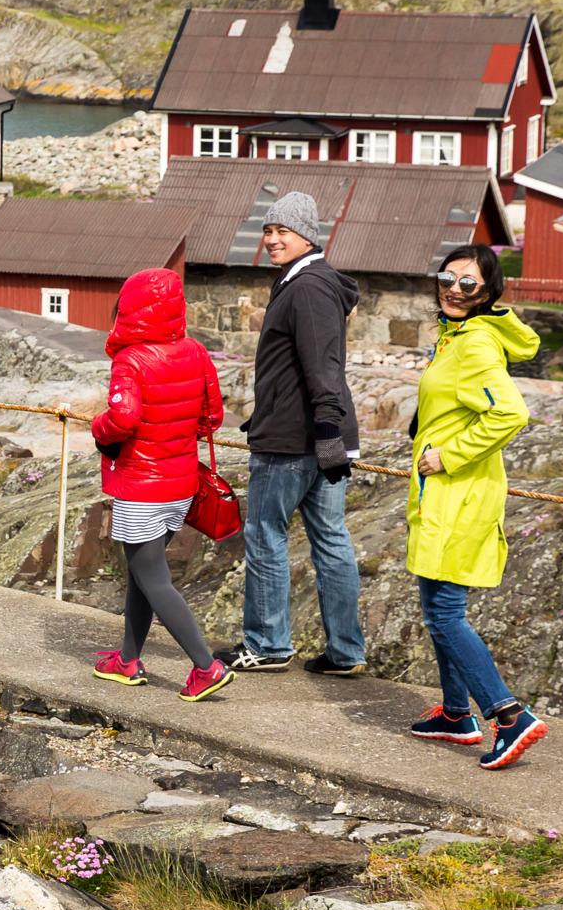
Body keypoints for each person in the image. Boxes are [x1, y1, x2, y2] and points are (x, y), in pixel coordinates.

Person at [405, 244, 547, 770]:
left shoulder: (475, 345)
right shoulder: (456, 335)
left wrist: (448, 457)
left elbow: (510, 413)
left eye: (469, 284)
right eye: (449, 277)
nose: (455, 289)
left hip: (457, 493)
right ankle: (456, 715)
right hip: (444, 494)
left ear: (488, 294)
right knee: (437, 607)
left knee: (444, 614)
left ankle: (508, 715)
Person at [224, 190, 368, 675]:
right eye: (268, 230)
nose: (272, 239)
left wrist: (324, 427)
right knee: (330, 538)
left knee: (266, 535)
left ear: (307, 235)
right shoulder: (313, 282)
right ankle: (346, 652)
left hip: (296, 440)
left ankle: (267, 644)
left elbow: (321, 363)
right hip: (316, 433)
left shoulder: (306, 288)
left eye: (283, 230)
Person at [87, 267, 233, 703]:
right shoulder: (195, 352)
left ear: (130, 309)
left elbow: (123, 418)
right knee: (142, 572)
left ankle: (206, 667)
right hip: (181, 483)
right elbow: (212, 417)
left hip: (141, 486)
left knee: (153, 576)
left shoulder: (131, 359)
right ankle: (127, 661)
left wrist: (98, 425)